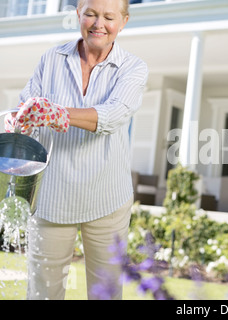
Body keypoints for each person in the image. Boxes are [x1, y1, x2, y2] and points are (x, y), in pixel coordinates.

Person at [6, 0, 148, 300]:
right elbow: (28, 104)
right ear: (78, 15)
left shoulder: (133, 68)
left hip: (107, 198)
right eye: (91, 14)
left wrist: (58, 113)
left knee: (106, 293)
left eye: (109, 17)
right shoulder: (52, 58)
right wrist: (17, 118)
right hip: (52, 196)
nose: (99, 24)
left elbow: (113, 115)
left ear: (123, 22)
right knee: (43, 292)